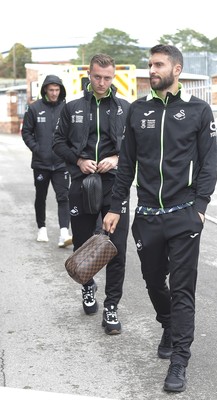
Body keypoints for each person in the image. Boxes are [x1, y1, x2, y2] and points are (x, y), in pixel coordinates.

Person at [103, 44, 217, 391]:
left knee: (183, 289)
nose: (150, 70)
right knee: (154, 282)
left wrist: (199, 207)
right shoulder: (137, 111)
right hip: (148, 215)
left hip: (184, 215)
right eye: (149, 64)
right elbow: (126, 165)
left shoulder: (199, 110)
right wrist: (114, 205)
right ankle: (167, 323)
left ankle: (180, 360)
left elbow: (209, 162)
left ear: (177, 69)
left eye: (157, 64)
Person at [53, 54, 130, 335]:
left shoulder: (125, 108)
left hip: (115, 185)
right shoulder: (72, 107)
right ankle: (88, 286)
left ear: (113, 77)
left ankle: (111, 307)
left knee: (117, 247)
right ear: (89, 74)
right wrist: (78, 160)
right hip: (81, 184)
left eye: (108, 77)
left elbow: (136, 148)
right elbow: (57, 142)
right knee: (83, 244)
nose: (102, 82)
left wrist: (118, 159)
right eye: (97, 77)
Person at [22, 75, 72, 248]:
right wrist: (37, 149)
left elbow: (73, 132)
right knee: (40, 196)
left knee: (63, 197)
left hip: (61, 163)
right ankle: (41, 228)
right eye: (51, 90)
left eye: (57, 90)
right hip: (41, 163)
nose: (54, 93)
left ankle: (64, 232)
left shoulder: (66, 108)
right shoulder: (34, 108)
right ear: (45, 90)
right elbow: (26, 132)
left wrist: (68, 152)